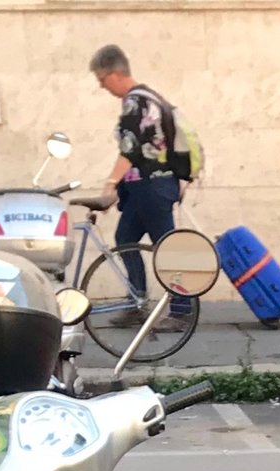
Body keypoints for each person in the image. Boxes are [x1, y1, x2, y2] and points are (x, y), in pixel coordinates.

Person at [88, 45, 190, 303]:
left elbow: (130, 148)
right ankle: (137, 299)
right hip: (146, 187)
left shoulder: (136, 101)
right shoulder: (149, 97)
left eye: (102, 80)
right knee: (125, 238)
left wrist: (110, 185)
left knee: (166, 249)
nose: (102, 87)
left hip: (152, 186)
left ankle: (182, 309)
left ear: (114, 74)